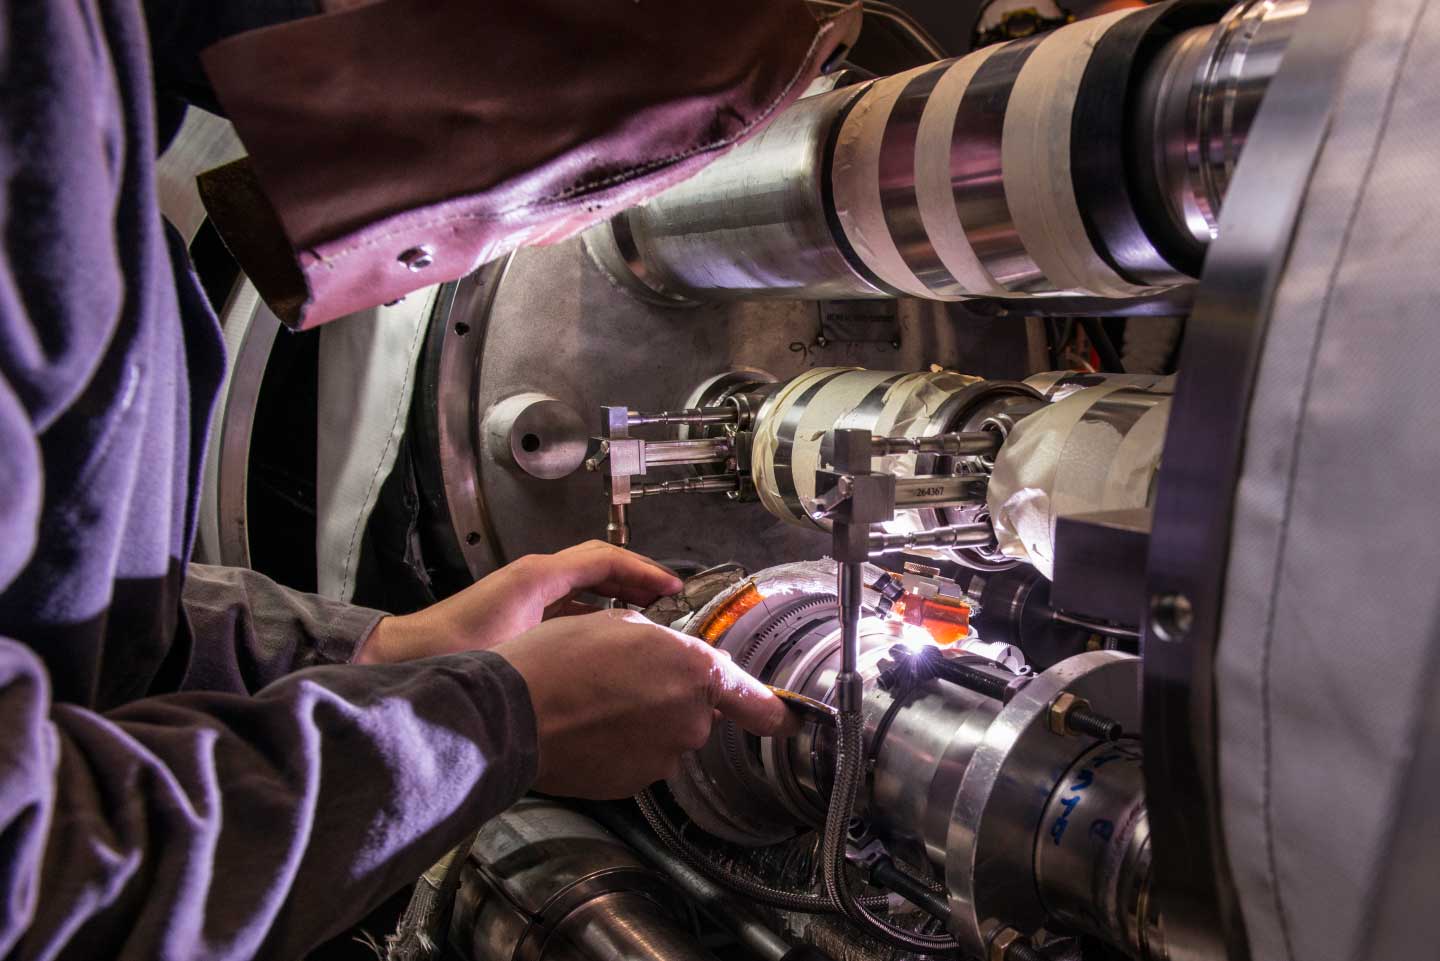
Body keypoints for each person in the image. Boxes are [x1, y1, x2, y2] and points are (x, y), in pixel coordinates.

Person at [0, 1, 858, 958]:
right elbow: (33, 883)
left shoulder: (81, 74)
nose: (541, 234)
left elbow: (59, 601)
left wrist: (380, 650)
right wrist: (486, 728)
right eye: (585, 180)